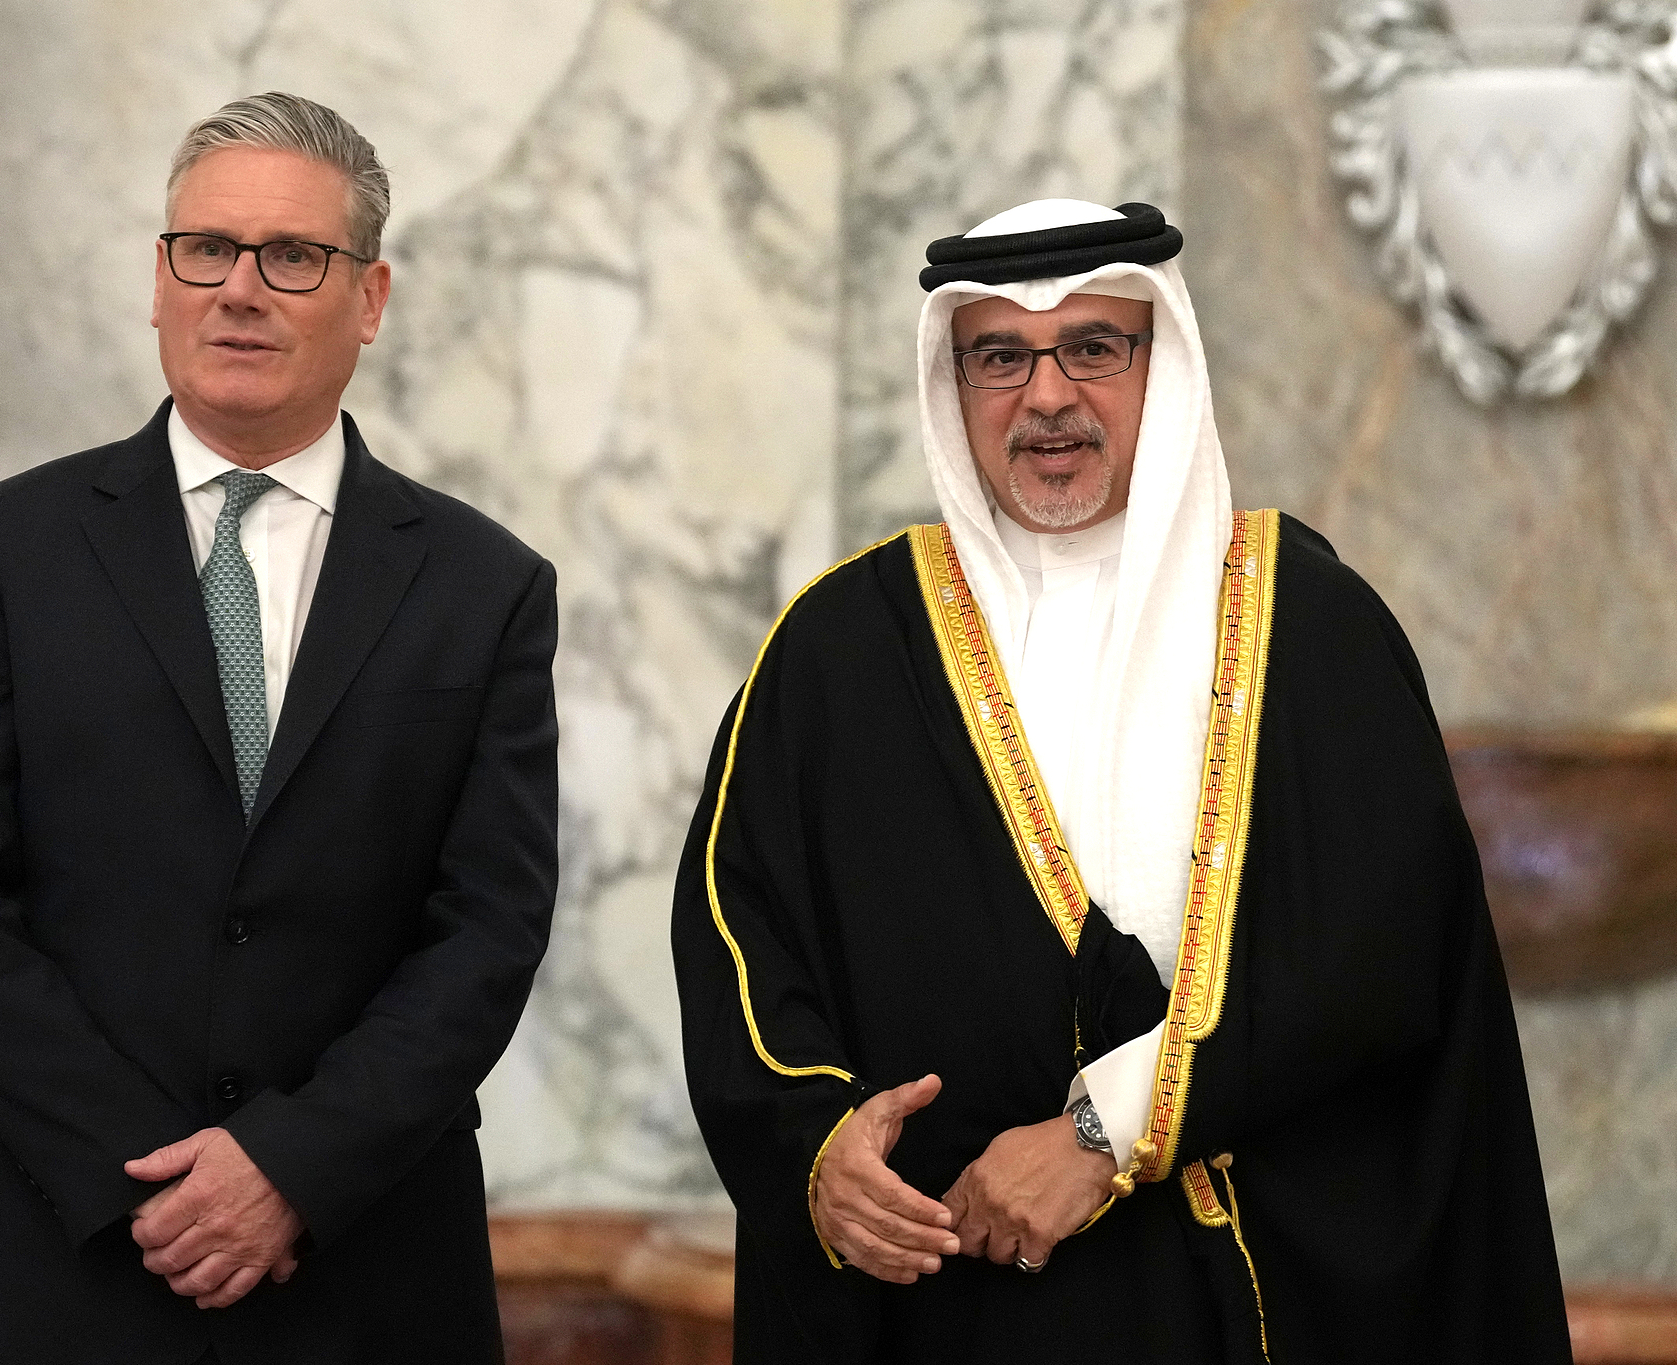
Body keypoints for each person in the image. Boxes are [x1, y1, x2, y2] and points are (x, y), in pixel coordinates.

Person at [671, 199, 1570, 1362]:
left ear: (1167, 364)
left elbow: (1384, 954)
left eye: (1094, 347)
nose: (1046, 396)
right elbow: (739, 936)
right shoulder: (842, 646)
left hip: (1248, 1296)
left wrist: (1103, 1134)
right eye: (999, 356)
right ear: (952, 386)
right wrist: (815, 1150)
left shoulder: (1305, 624)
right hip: (951, 1311)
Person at [0, 93, 557, 1365]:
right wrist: (153, 1183)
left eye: (292, 257)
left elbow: (487, 929)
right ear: (160, 278)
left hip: (357, 1269)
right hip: (35, 1259)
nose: (240, 288)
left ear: (371, 298)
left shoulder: (483, 584)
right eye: (207, 249)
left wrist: (288, 1165)